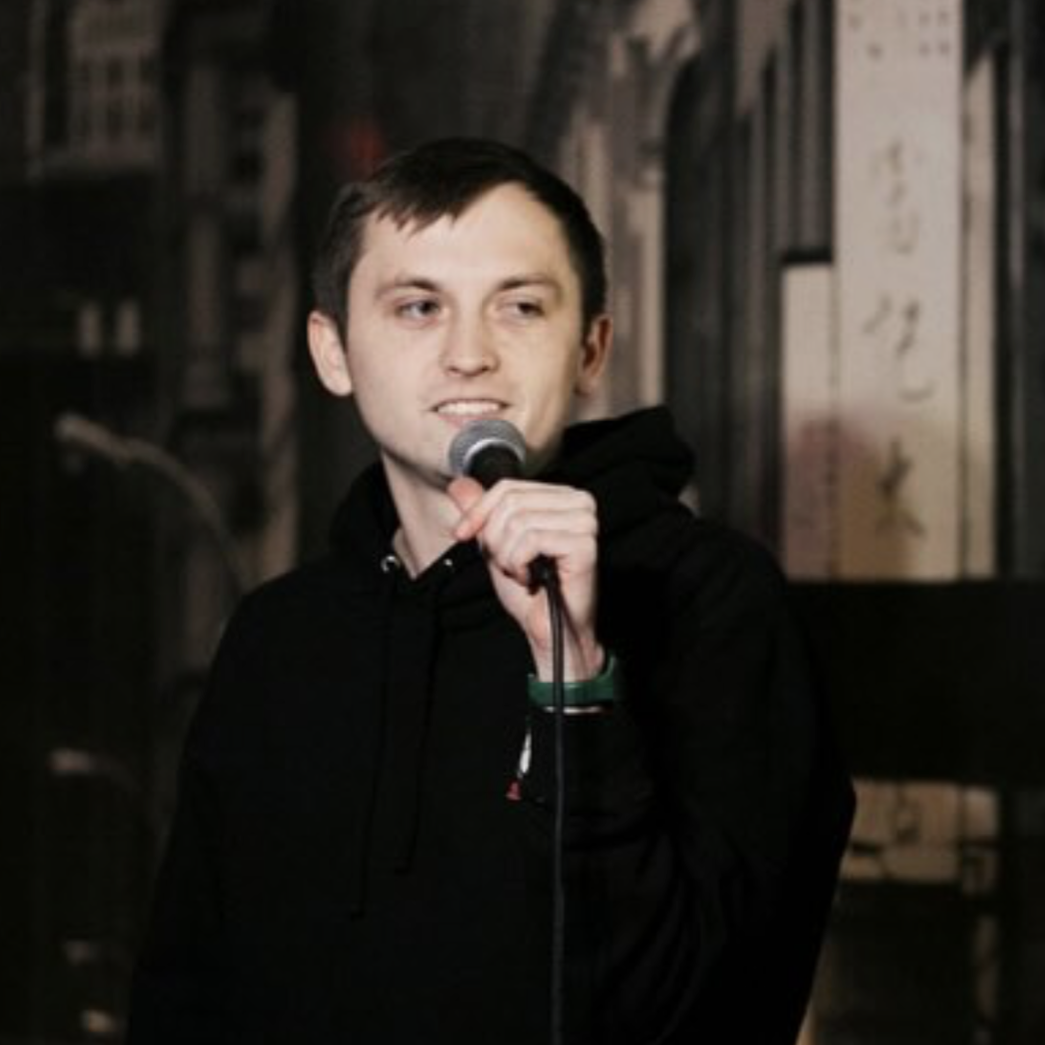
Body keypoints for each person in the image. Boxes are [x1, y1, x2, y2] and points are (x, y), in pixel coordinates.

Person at [127, 138, 854, 1044]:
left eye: (519, 307)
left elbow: (715, 1006)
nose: (468, 355)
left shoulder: (713, 601)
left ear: (590, 347)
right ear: (332, 351)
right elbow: (187, 992)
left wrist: (573, 680)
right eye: (418, 307)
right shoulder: (278, 641)